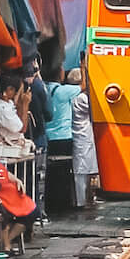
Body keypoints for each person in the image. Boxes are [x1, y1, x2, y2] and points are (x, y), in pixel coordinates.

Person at [42, 72, 80, 213]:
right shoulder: (65, 91)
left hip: (48, 137)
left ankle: (51, 203)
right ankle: (63, 205)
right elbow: (84, 85)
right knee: (64, 173)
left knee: (50, 173)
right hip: (64, 136)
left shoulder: (43, 87)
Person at [69, 70, 98, 215]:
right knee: (81, 171)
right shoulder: (81, 98)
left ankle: (87, 198)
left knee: (87, 170)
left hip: (85, 135)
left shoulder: (78, 96)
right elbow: (94, 110)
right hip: (83, 136)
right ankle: (81, 201)